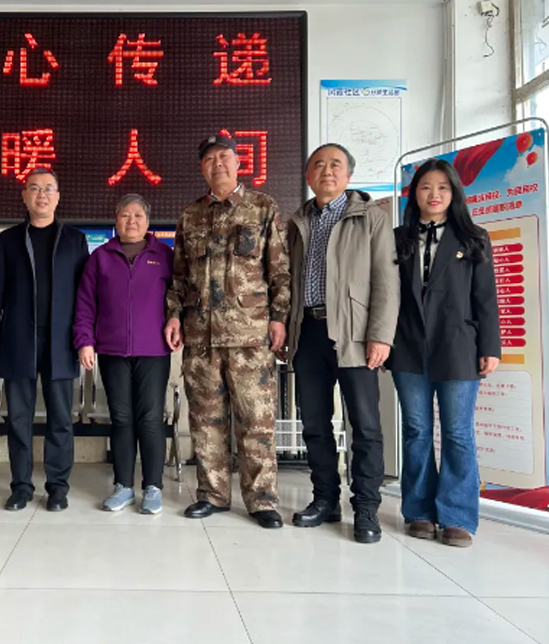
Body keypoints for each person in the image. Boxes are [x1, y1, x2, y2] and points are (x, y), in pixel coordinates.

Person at [164, 135, 290, 528]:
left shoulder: (262, 207)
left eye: (224, 156)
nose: (217, 163)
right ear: (202, 168)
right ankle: (213, 494)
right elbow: (179, 276)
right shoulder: (190, 216)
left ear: (238, 163)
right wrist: (173, 315)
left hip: (249, 335)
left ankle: (262, 500)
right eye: (209, 159)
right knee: (206, 421)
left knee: (256, 420)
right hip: (200, 336)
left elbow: (279, 269)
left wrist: (279, 317)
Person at [286, 143, 399, 543]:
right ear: (308, 176)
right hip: (308, 332)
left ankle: (366, 508)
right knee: (314, 424)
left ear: (348, 175)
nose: (327, 171)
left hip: (355, 333)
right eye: (318, 165)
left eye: (335, 164)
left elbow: (386, 280)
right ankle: (325, 500)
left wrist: (380, 335)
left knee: (364, 425)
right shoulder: (297, 222)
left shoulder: (371, 218)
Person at [386, 159, 500, 548]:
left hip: (458, 347)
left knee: (457, 432)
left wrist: (490, 347)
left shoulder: (473, 238)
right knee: (416, 431)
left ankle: (457, 516)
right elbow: (387, 295)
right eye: (425, 187)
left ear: (454, 194)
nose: (434, 195)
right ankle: (418, 511)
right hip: (408, 346)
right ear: (414, 193)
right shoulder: (398, 239)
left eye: (442, 188)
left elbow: (485, 298)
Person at [0, 168, 89, 512]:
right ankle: (21, 486)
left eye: (48, 189)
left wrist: (85, 337)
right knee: (18, 418)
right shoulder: (9, 239)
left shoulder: (74, 240)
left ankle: (57, 487)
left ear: (58, 196)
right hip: (18, 338)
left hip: (61, 341)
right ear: (24, 196)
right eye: (35, 188)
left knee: (60, 417)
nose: (42, 195)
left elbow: (86, 294)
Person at [73, 194, 174, 514]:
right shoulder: (100, 257)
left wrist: (178, 323)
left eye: (138, 216)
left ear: (148, 222)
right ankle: (123, 486)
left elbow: (179, 298)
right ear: (116, 220)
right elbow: (85, 304)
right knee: (121, 418)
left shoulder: (164, 255)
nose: (131, 221)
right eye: (125, 215)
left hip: (154, 350)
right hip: (112, 350)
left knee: (151, 418)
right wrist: (85, 341)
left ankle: (153, 487)